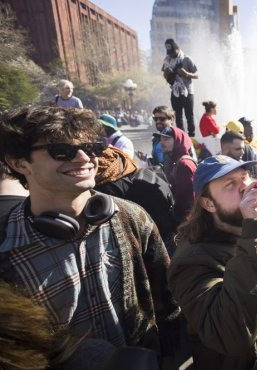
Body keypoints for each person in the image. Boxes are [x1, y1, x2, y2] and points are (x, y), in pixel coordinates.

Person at [0, 106, 180, 361]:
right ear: (18, 163)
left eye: (93, 147)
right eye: (62, 150)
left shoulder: (132, 217)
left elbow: (168, 305)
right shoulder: (7, 250)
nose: (85, 158)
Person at [168, 155, 257, 369]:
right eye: (230, 184)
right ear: (208, 203)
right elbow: (231, 334)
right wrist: (254, 233)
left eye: (245, 176)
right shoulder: (192, 262)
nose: (245, 186)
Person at [157, 126, 197, 223]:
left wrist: (183, 227)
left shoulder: (184, 164)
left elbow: (188, 203)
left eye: (166, 139)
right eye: (161, 139)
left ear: (178, 140)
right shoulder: (174, 161)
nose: (162, 143)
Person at [162, 38, 198, 136]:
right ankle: (182, 136)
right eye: (169, 52)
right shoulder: (167, 61)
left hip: (188, 91)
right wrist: (166, 73)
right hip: (175, 91)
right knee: (177, 116)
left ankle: (191, 135)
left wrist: (186, 74)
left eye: (173, 51)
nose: (171, 54)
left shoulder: (186, 59)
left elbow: (197, 75)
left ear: (178, 48)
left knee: (189, 115)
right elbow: (165, 77)